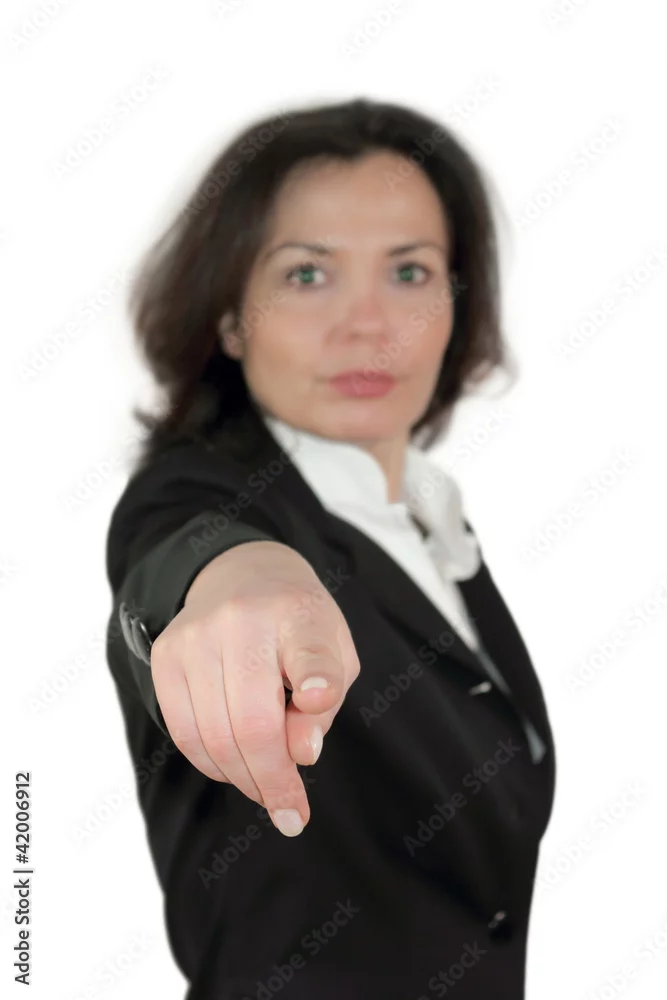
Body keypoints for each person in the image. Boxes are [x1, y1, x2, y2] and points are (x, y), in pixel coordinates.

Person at [105, 96, 556, 1000]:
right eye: (307, 275)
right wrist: (239, 580)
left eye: (409, 272)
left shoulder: (433, 528)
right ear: (229, 317)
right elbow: (181, 550)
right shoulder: (200, 492)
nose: (367, 324)